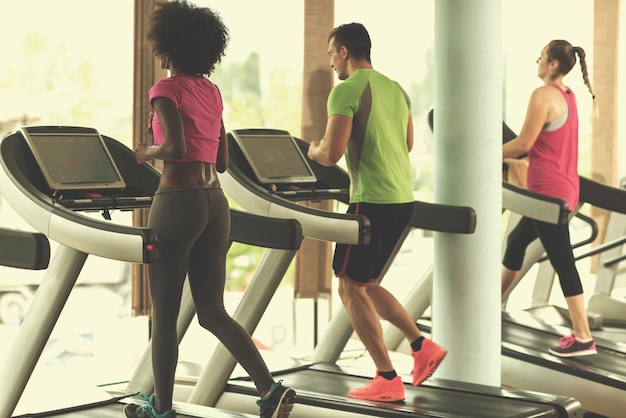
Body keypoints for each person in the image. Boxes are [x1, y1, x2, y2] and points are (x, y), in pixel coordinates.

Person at [124, 2, 295, 417]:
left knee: (164, 316)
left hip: (178, 200)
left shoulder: (164, 90)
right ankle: (269, 388)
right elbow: (220, 160)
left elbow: (176, 150)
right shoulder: (212, 91)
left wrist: (147, 149)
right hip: (216, 203)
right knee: (213, 311)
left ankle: (160, 409)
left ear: (168, 46)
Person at [307, 22, 447, 403]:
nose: (332, 62)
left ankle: (387, 377)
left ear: (345, 53)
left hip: (371, 201)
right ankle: (421, 347)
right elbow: (407, 142)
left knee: (349, 285)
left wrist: (313, 149)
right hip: (403, 200)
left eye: (332, 54)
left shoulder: (346, 91)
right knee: (365, 283)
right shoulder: (396, 89)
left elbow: (331, 153)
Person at [501, 40, 597, 357]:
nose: (537, 61)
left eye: (541, 57)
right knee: (516, 242)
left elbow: (524, 143)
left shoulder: (542, 95)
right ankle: (493, 304)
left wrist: (485, 154)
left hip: (547, 194)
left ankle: (583, 336)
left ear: (554, 64)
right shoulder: (567, 95)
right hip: (563, 188)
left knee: (562, 260)